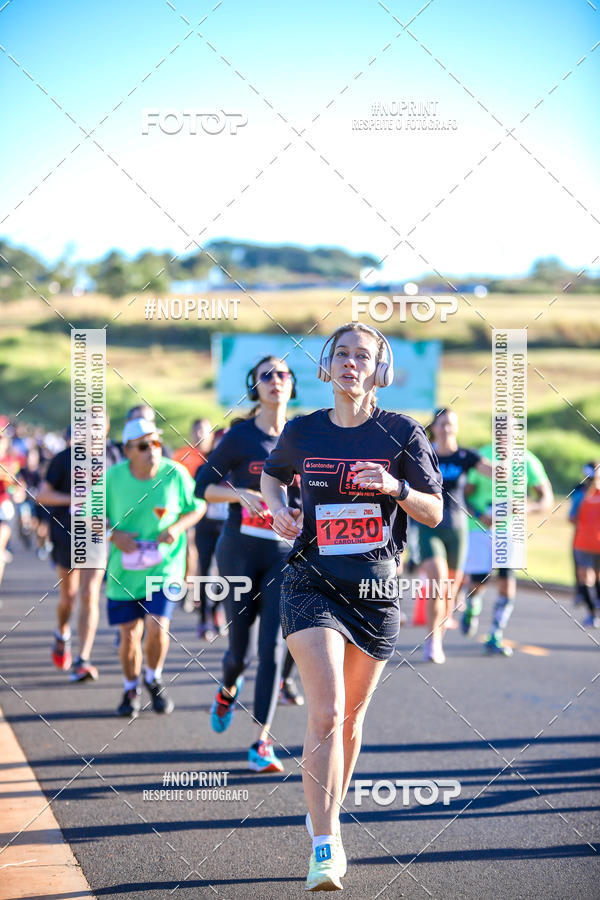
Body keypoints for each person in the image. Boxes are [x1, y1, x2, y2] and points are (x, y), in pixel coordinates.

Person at [260, 323, 442, 891]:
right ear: (326, 364)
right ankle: (325, 842)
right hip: (310, 579)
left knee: (352, 720)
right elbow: (271, 476)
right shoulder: (305, 430)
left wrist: (394, 487)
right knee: (327, 710)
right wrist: (279, 511)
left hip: (375, 588)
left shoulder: (402, 433)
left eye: (363, 356)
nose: (350, 363)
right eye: (341, 353)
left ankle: (327, 814)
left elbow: (434, 512)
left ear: (379, 370)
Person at [195, 356, 299, 774]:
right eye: (267, 376)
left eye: (283, 374)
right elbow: (202, 488)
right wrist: (241, 494)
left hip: (282, 553)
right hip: (238, 550)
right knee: (239, 651)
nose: (276, 381)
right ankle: (228, 686)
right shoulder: (240, 438)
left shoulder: (303, 435)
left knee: (273, 646)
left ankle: (262, 741)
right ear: (255, 386)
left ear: (293, 385)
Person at [105, 418, 204, 717]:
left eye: (157, 443)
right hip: (124, 573)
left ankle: (154, 676)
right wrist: (113, 534)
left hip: (165, 569)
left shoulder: (175, 474)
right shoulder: (112, 478)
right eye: (144, 446)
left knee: (157, 625)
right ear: (128, 450)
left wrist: (177, 526)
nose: (153, 450)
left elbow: (197, 505)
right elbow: (85, 516)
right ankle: (130, 687)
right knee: (129, 635)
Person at [462, 434, 554, 653]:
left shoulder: (528, 461)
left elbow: (546, 499)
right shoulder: (483, 456)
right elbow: (463, 494)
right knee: (478, 581)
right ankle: (472, 606)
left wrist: (527, 508)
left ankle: (496, 633)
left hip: (510, 531)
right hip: (480, 528)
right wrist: (479, 514)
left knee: (506, 580)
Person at [416, 408, 492, 664]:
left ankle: (439, 632)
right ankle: (432, 642)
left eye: (451, 424)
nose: (447, 428)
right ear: (434, 427)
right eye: (442, 424)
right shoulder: (424, 454)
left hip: (458, 528)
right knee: (438, 581)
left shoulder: (465, 456)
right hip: (430, 526)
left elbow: (493, 472)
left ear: (456, 427)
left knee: (450, 589)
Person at [37, 427, 106, 682]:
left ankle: (83, 659)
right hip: (66, 534)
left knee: (90, 595)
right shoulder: (64, 458)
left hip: (98, 535)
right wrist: (74, 499)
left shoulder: (114, 459)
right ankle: (62, 632)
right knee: (70, 598)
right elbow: (42, 495)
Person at [571, 461, 600, 627]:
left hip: (583, 542)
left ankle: (592, 615)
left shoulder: (580, 494)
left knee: (586, 577)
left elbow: (572, 518)